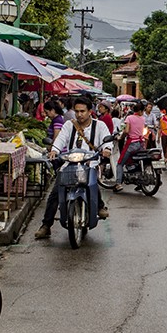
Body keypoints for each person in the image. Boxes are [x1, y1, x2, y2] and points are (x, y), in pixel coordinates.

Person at [34, 95, 111, 240]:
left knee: (93, 183)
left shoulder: (99, 126)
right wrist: (54, 150)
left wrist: (107, 148)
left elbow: (107, 140)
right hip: (70, 164)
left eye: (82, 111)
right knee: (56, 192)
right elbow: (60, 139)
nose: (80, 114)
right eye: (77, 111)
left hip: (89, 163)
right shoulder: (69, 125)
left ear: (90, 112)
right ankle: (46, 225)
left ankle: (100, 206)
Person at [117, 101, 148, 175]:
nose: (143, 112)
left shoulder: (129, 118)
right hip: (141, 144)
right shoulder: (143, 119)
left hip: (132, 144)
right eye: (143, 111)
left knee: (120, 164)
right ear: (140, 111)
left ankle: (118, 183)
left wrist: (121, 137)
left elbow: (126, 131)